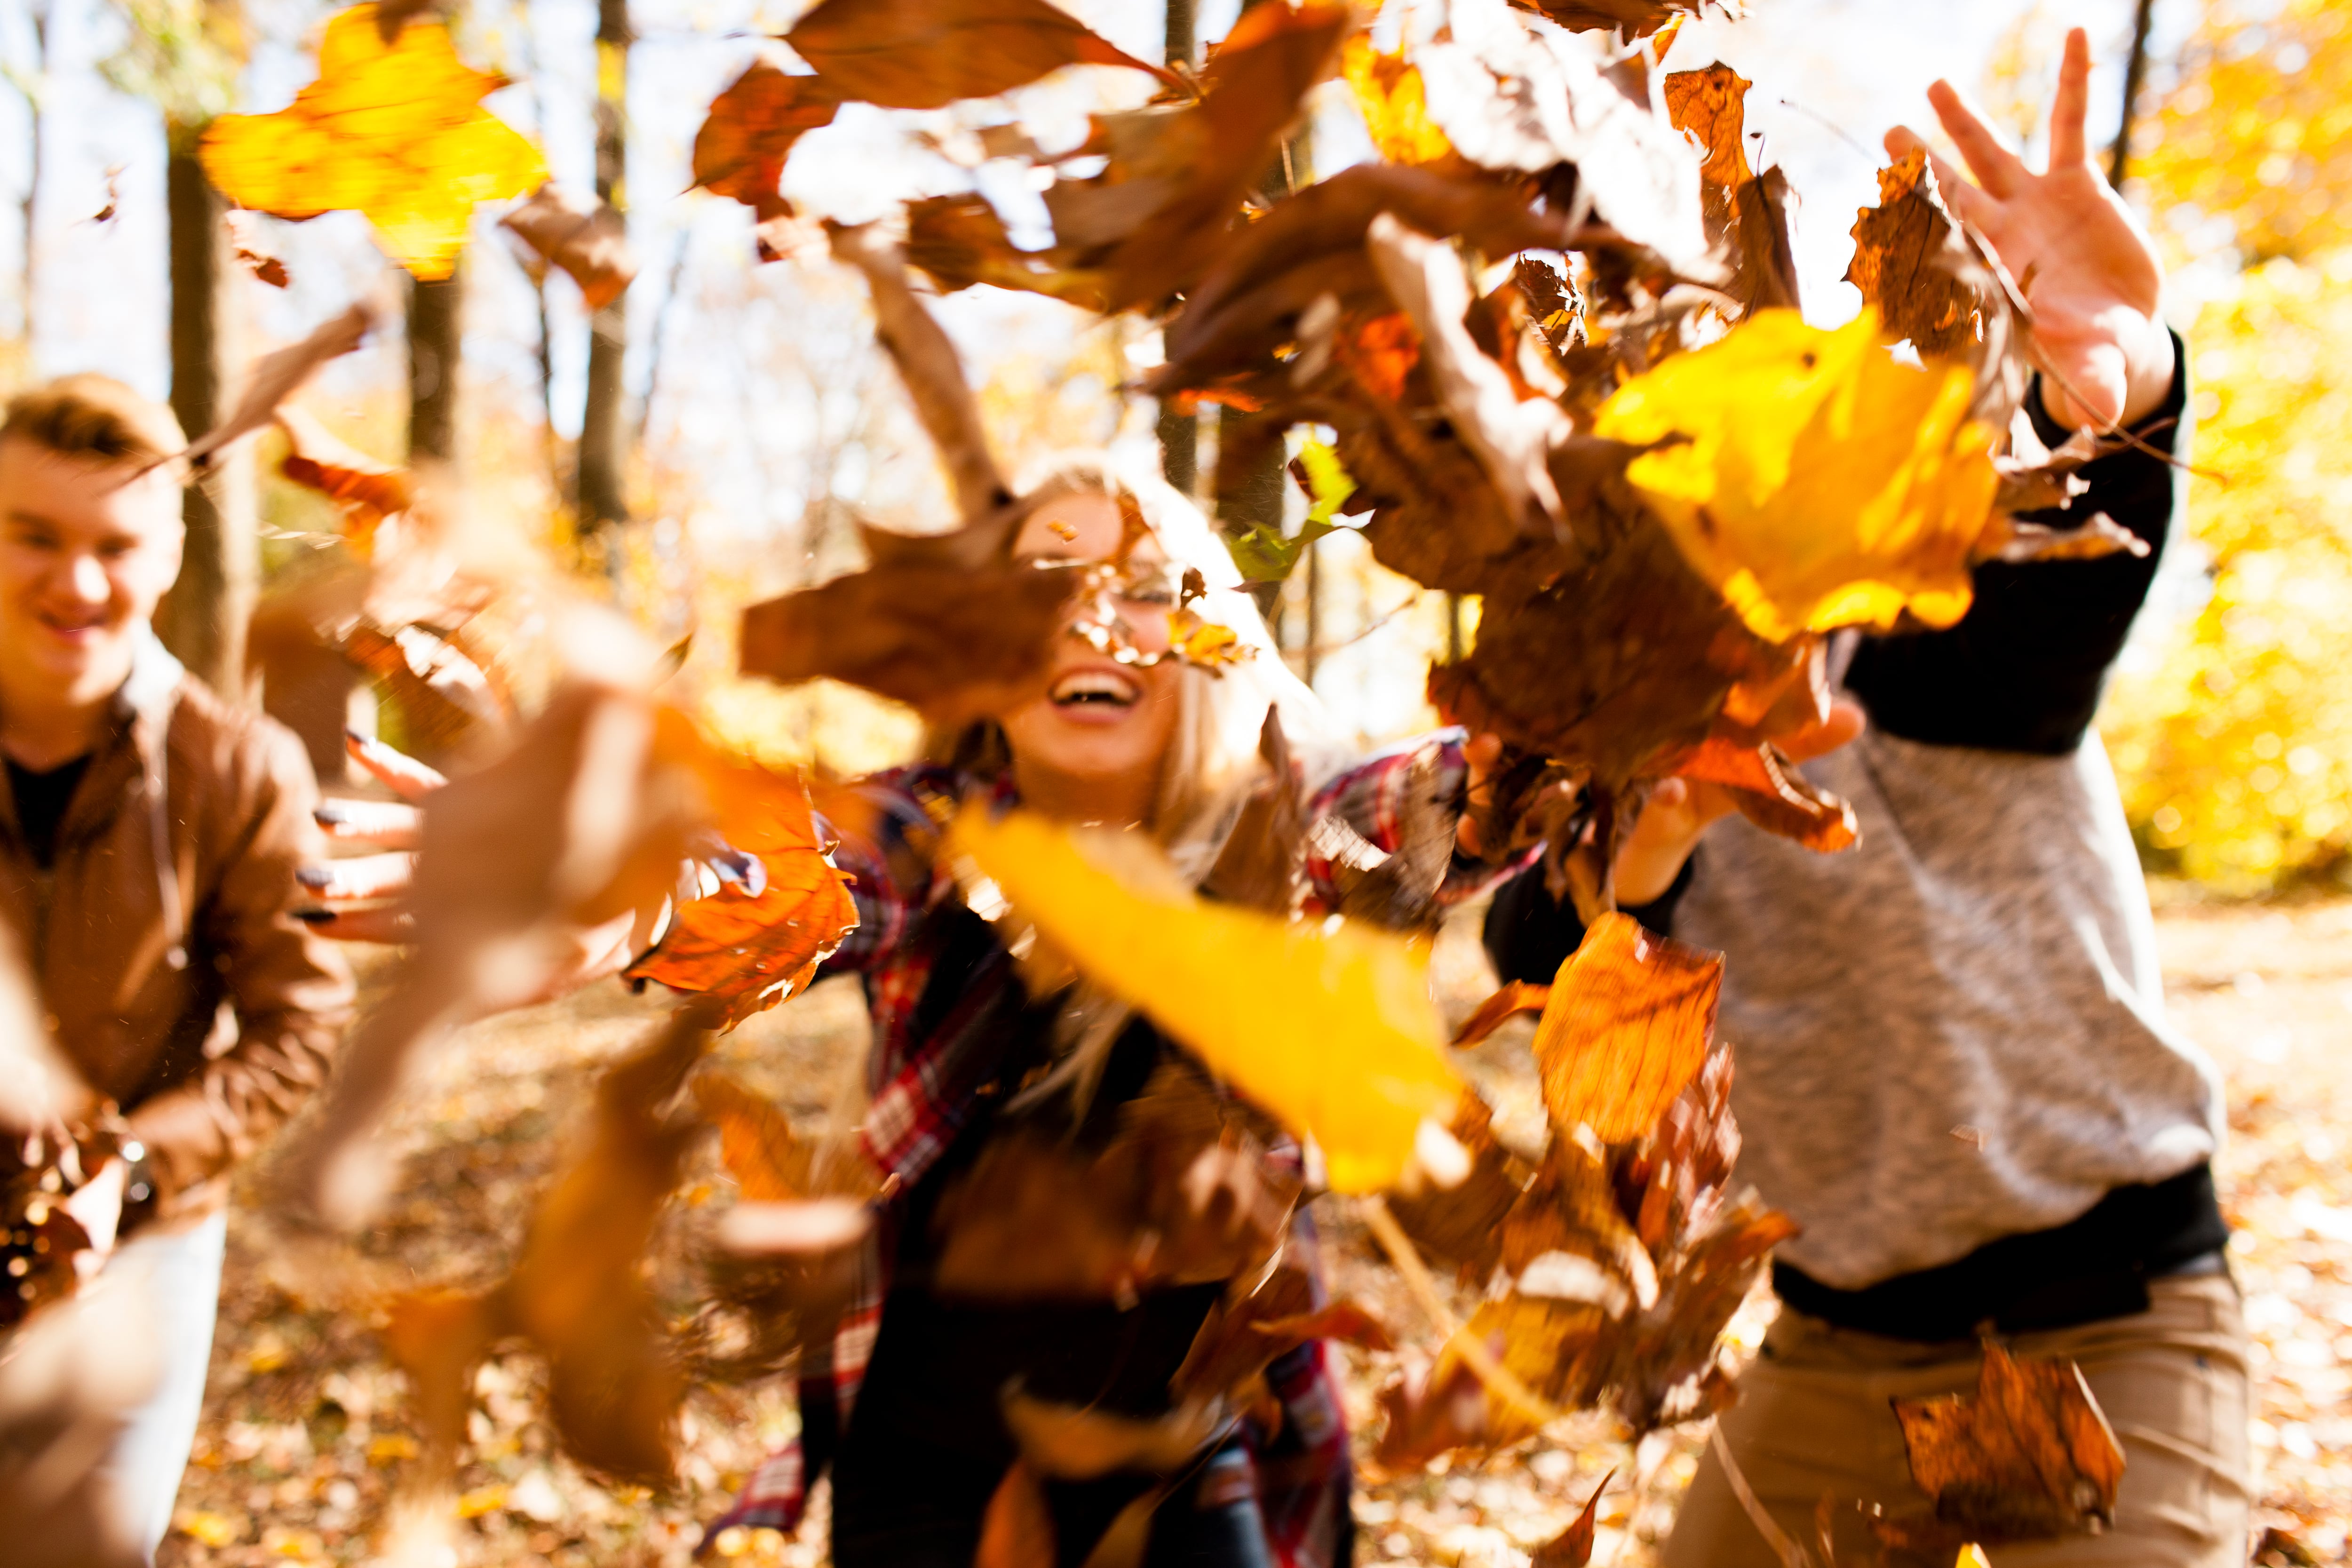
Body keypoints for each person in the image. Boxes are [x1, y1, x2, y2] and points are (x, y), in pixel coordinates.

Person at [1485, 33, 2245, 1567]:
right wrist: (1646, 848)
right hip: (1842, 1347)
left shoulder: (1933, 653)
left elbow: (2086, 548)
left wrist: (2132, 370)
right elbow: (1541, 953)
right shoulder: (1619, 755)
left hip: (2110, 1315)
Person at [684, 454, 1526, 1568]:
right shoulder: (938, 830)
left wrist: (1528, 758)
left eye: (1143, 585)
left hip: (1199, 1453)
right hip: (928, 1464)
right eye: (1046, 580)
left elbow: (1417, 804)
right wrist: (645, 902)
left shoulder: (1275, 834)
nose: (1092, 618)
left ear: (1215, 645)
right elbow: (786, 874)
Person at [0, 375, 355, 1560]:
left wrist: (136, 1165)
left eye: (116, 543)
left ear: (169, 555)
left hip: (136, 1246)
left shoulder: (241, 769)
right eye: (33, 535)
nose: (77, 581)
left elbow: (296, 1028)